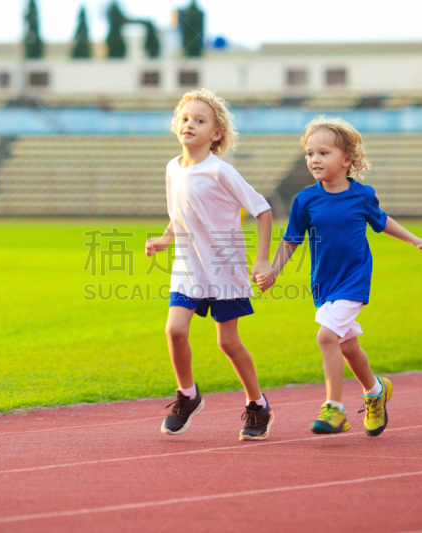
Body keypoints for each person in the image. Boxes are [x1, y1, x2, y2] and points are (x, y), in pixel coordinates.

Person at [257, 116, 422, 437]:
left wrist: (415, 240)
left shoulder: (362, 195)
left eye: (324, 153)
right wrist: (273, 270)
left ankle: (335, 409)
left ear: (347, 160)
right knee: (348, 346)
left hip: (353, 281)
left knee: (326, 337)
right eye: (310, 153)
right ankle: (375, 391)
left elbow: (382, 222)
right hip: (324, 284)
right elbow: (291, 239)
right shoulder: (305, 200)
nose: (314, 159)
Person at [145, 88, 274, 441]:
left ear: (215, 133)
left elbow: (262, 210)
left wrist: (262, 259)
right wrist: (164, 240)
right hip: (188, 265)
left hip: (223, 267)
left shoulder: (221, 172)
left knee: (228, 343)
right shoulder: (172, 168)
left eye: (200, 120)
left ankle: (258, 404)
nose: (189, 125)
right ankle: (187, 395)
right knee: (175, 331)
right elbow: (178, 213)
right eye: (185, 118)